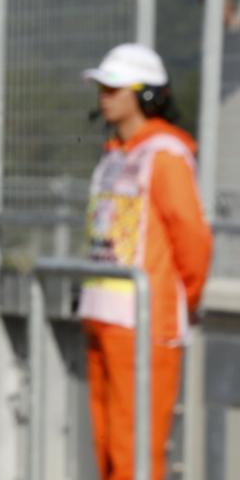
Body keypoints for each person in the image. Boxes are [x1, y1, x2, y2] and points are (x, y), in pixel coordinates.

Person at [79, 43, 212, 480]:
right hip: (103, 319)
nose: (105, 96)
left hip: (144, 324)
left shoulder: (166, 155)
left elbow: (192, 239)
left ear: (147, 94)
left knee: (136, 450)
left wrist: (179, 302)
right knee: (108, 451)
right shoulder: (115, 152)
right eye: (103, 87)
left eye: (115, 88)